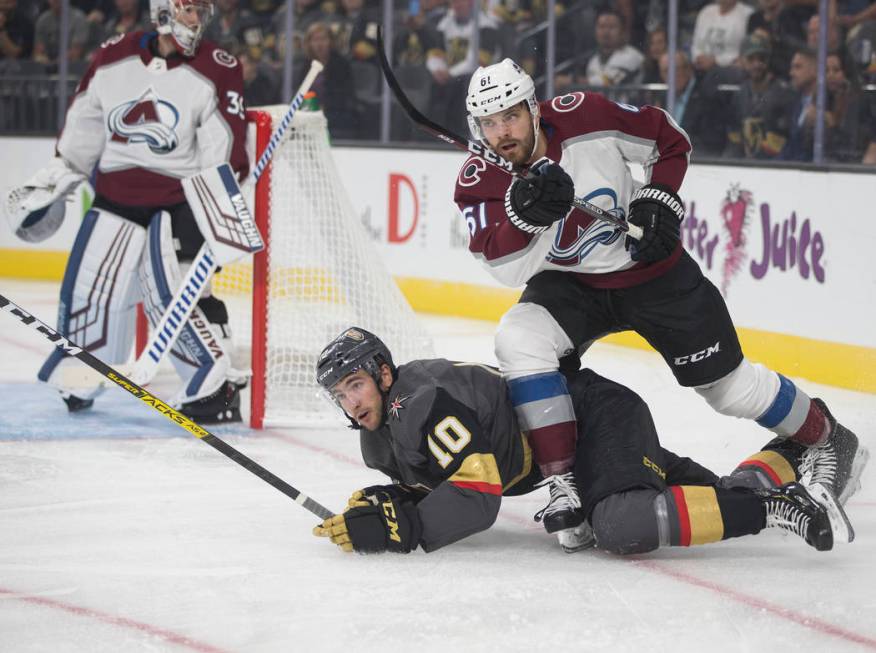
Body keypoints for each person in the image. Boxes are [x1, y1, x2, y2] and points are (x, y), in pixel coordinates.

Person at [451, 58, 867, 548]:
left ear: (535, 109)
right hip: (573, 286)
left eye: (511, 116)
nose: (502, 133)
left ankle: (827, 436)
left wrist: (659, 197)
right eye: (490, 122)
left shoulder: (587, 115)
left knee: (729, 390)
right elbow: (505, 269)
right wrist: (526, 218)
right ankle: (562, 483)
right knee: (519, 338)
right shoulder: (481, 179)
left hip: (653, 273)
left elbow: (670, 139)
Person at [311, 328, 853, 556]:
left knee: (622, 523)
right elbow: (437, 485)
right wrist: (390, 506)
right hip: (573, 451)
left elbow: (478, 499)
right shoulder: (378, 440)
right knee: (717, 495)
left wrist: (406, 531)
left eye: (356, 384)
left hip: (588, 419)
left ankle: (779, 510)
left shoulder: (421, 399)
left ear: (384, 374)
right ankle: (790, 456)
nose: (352, 402)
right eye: (341, 394)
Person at [16, 0, 250, 423]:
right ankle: (81, 375)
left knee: (182, 295)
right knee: (90, 292)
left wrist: (220, 208)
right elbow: (84, 124)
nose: (197, 21)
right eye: (188, 11)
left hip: (178, 203)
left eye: (202, 11)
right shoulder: (112, 55)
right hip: (115, 198)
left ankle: (219, 386)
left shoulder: (219, 65)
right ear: (162, 11)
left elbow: (224, 148)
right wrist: (58, 174)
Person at [725, 34, 794, 159]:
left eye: (762, 59)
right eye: (751, 59)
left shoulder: (783, 93)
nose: (757, 64)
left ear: (769, 60)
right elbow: (734, 138)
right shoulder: (740, 93)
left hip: (774, 167)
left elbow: (782, 142)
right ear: (741, 60)